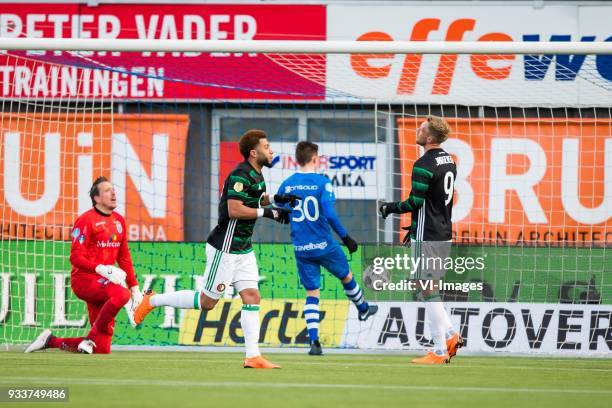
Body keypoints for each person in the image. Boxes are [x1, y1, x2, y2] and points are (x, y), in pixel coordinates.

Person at [134, 129, 294, 369]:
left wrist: (276, 199)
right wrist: (269, 213)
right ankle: (153, 300)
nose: (271, 150)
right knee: (208, 302)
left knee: (252, 296)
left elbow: (256, 200)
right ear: (254, 152)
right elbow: (234, 209)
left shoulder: (256, 175)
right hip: (225, 247)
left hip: (244, 248)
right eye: (266, 146)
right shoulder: (240, 174)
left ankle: (253, 356)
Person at [277, 141, 378, 356]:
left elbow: (279, 209)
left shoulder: (287, 184)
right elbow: (330, 214)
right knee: (347, 276)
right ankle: (363, 308)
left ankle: (314, 342)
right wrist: (347, 238)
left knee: (312, 293)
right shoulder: (322, 182)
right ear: (315, 159)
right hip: (325, 245)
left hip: (302, 247)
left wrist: (287, 215)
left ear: (297, 159)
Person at [379, 116, 463, 364]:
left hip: (428, 233)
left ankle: (446, 339)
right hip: (443, 230)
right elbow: (433, 201)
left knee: (425, 285)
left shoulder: (423, 163)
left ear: (429, 137)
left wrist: (389, 208)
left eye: (422, 128)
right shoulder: (449, 160)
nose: (418, 130)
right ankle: (442, 344)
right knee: (425, 286)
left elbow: (416, 202)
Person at [25, 177, 142, 354]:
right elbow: (75, 257)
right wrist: (100, 268)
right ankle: (89, 339)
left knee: (101, 348)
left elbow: (124, 256)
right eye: (107, 190)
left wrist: (135, 288)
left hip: (105, 283)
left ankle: (50, 340)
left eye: (113, 189)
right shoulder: (86, 220)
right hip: (85, 281)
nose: (113, 193)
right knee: (121, 294)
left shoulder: (119, 221)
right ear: (97, 198)